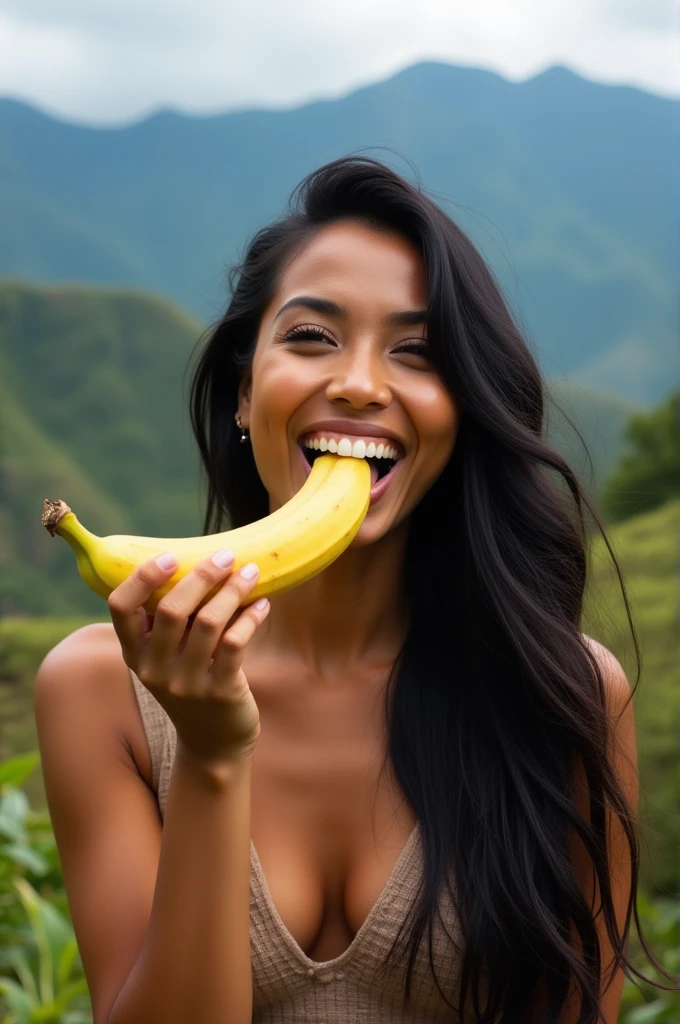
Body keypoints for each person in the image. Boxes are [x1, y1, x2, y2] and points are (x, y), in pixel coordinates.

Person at [34, 156, 657, 1023]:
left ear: (464, 408)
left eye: (417, 352)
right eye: (312, 337)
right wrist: (212, 756)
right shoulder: (98, 688)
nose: (361, 384)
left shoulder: (564, 694)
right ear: (246, 391)